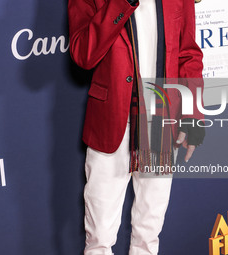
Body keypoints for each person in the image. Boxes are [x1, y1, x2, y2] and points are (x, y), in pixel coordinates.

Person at [68, 0, 205, 254]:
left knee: (148, 234)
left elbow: (188, 53)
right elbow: (83, 54)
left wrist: (192, 114)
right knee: (99, 237)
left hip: (162, 122)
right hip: (112, 121)